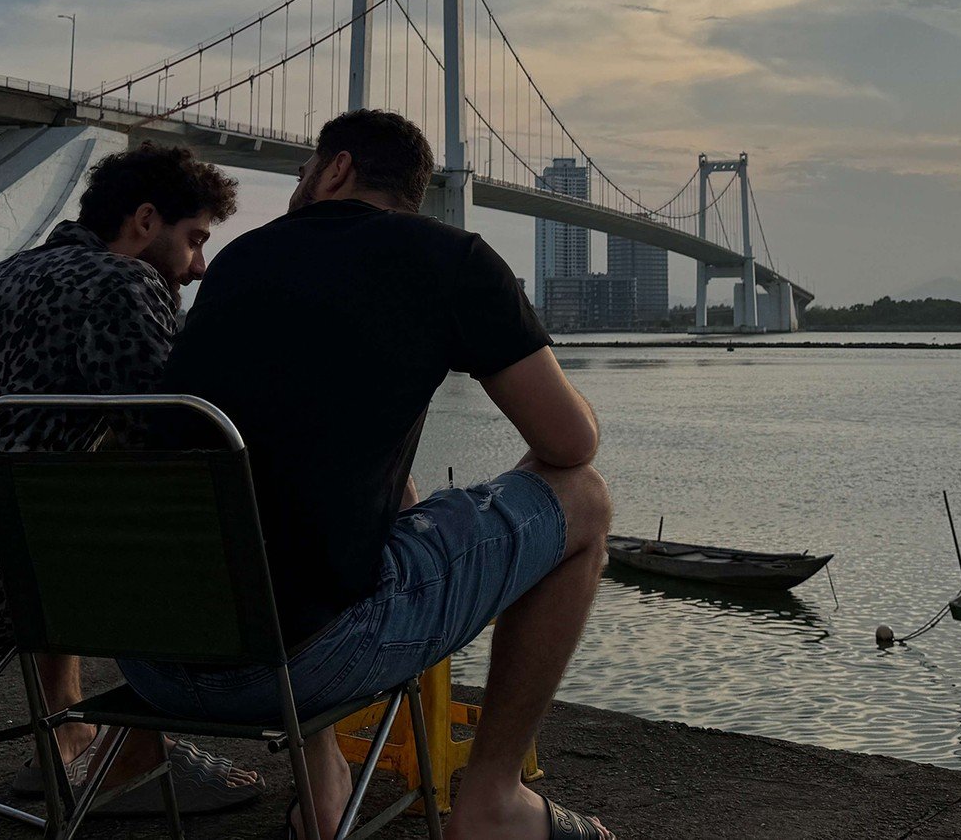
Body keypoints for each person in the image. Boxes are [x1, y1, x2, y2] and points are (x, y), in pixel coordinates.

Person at [133, 109, 614, 840]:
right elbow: (569, 442)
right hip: (300, 668)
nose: (299, 183)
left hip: (152, 661)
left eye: (301, 171)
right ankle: (492, 801)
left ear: (336, 168)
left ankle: (323, 790)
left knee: (302, 508)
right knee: (583, 498)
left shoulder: (240, 261)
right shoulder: (455, 259)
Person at [0, 141, 263, 814]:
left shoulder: (1, 279)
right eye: (195, 240)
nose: (200, 266)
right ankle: (135, 749)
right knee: (179, 502)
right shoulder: (123, 283)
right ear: (145, 221)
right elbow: (176, 438)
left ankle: (66, 734)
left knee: (67, 481)